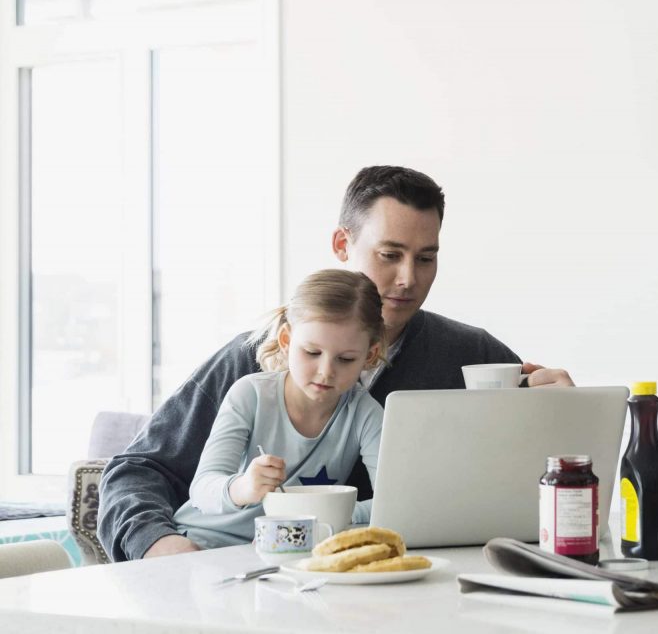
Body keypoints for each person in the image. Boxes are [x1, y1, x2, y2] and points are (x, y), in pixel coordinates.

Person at [99, 165, 574, 561]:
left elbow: (539, 484)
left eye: (426, 258)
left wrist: (559, 420)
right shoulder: (253, 361)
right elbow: (136, 471)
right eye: (390, 254)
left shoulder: (473, 357)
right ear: (342, 245)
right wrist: (157, 544)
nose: (408, 278)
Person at [172, 269, 386, 549]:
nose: (325, 372)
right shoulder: (250, 394)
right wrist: (244, 488)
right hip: (203, 544)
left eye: (346, 359)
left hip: (285, 550)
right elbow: (202, 491)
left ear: (369, 355)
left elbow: (391, 504)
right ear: (286, 341)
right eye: (311, 352)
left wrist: (305, 518)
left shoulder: (365, 413)